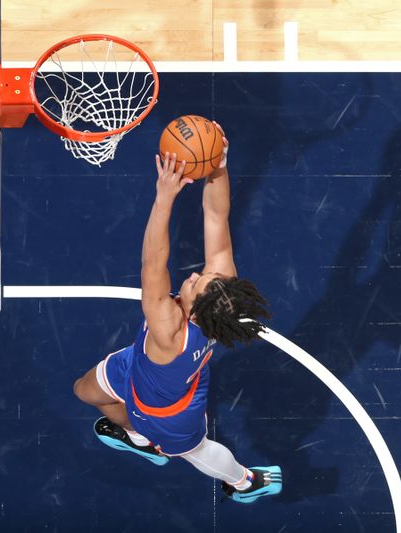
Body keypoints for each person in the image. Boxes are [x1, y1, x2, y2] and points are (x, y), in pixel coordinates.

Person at [72, 123, 282, 503]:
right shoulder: (219, 296)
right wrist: (217, 162)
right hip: (141, 367)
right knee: (83, 391)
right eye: (202, 277)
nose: (194, 275)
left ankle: (244, 481)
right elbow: (217, 216)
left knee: (192, 450)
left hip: (169, 411)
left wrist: (164, 197)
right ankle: (137, 437)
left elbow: (153, 260)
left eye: (195, 283)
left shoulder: (168, 327)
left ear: (195, 312)